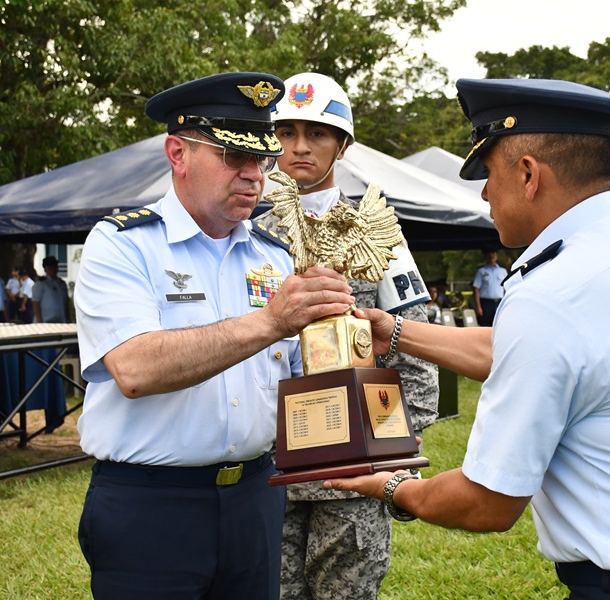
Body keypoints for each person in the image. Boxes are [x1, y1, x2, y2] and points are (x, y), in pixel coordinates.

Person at [327, 78, 610, 600]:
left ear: (529, 174)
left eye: (488, 174)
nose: (486, 193)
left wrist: (395, 487)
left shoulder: (552, 294)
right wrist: (395, 330)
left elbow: (488, 501)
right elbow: (539, 353)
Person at [73, 72, 356, 600]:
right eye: (234, 156)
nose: (255, 175)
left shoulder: (274, 256)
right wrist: (271, 322)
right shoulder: (124, 245)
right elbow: (135, 369)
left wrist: (354, 353)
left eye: (263, 159)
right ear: (177, 153)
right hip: (152, 508)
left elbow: (300, 383)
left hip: (256, 498)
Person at [253, 72, 438, 600]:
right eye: (286, 133)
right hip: (271, 463)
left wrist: (403, 438)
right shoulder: (248, 237)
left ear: (343, 145)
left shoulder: (375, 234)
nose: (299, 148)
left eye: (317, 133)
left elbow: (415, 344)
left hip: (351, 464)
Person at [471, 247, 507, 325]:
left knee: (500, 325)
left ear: (496, 256)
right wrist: (478, 307)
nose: (491, 256)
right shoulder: (481, 271)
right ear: (485, 257)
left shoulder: (502, 271)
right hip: (486, 303)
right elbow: (476, 289)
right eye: (489, 254)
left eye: (493, 254)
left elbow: (506, 287)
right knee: (485, 325)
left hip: (499, 302)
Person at [32, 256, 69, 324]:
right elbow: (35, 303)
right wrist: (39, 321)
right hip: (46, 321)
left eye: (54, 267)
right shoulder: (41, 283)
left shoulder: (62, 283)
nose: (53, 269)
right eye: (50, 267)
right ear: (45, 269)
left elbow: (65, 302)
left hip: (61, 320)